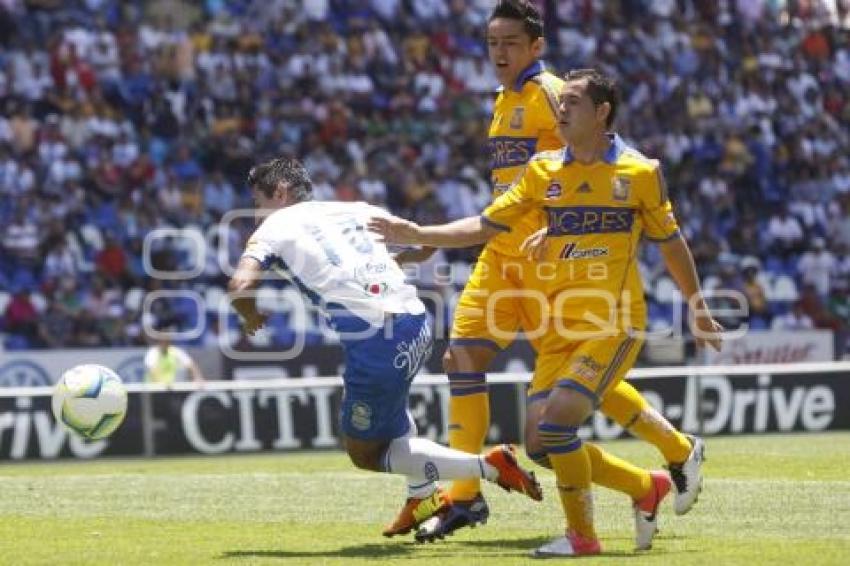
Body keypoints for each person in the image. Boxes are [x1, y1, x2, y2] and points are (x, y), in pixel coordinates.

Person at [369, 69, 724, 556]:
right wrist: (418, 233)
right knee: (539, 445)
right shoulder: (543, 171)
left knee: (557, 427)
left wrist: (697, 303)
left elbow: (670, 241)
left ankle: (583, 538)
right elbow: (486, 223)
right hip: (557, 330)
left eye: (574, 102)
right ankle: (648, 487)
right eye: (562, 101)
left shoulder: (640, 173)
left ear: (602, 113)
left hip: (612, 323)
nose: (562, 108)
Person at [227, 156, 543, 537]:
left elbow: (240, 286)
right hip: (416, 321)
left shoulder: (275, 226)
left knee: (366, 453)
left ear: (279, 193)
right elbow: (420, 247)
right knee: (390, 418)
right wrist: (405, 256)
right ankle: (421, 497)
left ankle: (489, 466)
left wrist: (249, 316)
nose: (257, 216)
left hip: (378, 341)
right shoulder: (353, 210)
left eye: (258, 203)